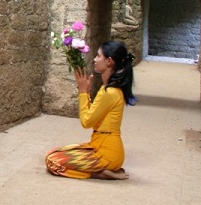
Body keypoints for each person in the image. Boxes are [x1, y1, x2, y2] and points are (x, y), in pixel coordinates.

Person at [45, 41, 135, 180]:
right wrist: (85, 92)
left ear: (109, 61)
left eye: (98, 56)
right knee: (55, 152)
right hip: (101, 147)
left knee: (53, 161)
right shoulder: (110, 89)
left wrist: (82, 92)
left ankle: (99, 172)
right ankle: (104, 170)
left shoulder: (109, 92)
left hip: (106, 154)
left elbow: (86, 122)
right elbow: (92, 117)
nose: (95, 59)